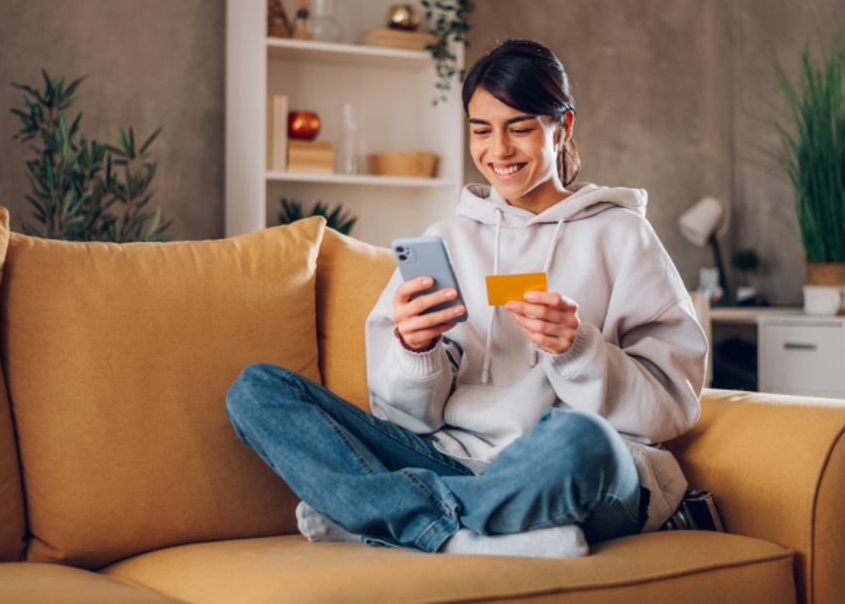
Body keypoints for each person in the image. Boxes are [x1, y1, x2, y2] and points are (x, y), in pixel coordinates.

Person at [226, 38, 708, 559]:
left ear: (563, 127)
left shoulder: (623, 236)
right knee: (256, 391)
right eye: (481, 130)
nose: (498, 150)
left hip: (568, 469)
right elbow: (408, 423)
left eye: (519, 128)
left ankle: (388, 516)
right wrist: (414, 350)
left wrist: (579, 349)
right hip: (456, 461)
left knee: (578, 438)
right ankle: (471, 532)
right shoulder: (449, 239)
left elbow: (671, 404)